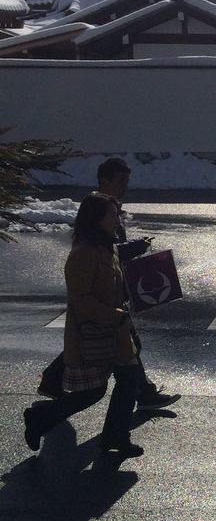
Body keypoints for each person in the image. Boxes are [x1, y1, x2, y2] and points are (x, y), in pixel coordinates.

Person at [37, 157, 178, 409]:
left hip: (112, 290)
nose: (125, 186)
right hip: (102, 294)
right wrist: (135, 247)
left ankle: (54, 380)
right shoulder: (96, 210)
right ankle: (139, 397)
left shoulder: (109, 208)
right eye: (120, 180)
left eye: (127, 180)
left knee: (121, 345)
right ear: (105, 181)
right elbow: (104, 251)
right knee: (123, 347)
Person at [24, 193, 145, 461]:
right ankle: (39, 416)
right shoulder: (83, 254)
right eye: (112, 215)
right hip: (94, 332)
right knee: (92, 392)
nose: (117, 220)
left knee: (129, 379)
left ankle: (115, 437)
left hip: (116, 330)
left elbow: (116, 284)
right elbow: (82, 302)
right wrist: (115, 315)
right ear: (96, 219)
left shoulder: (107, 246)